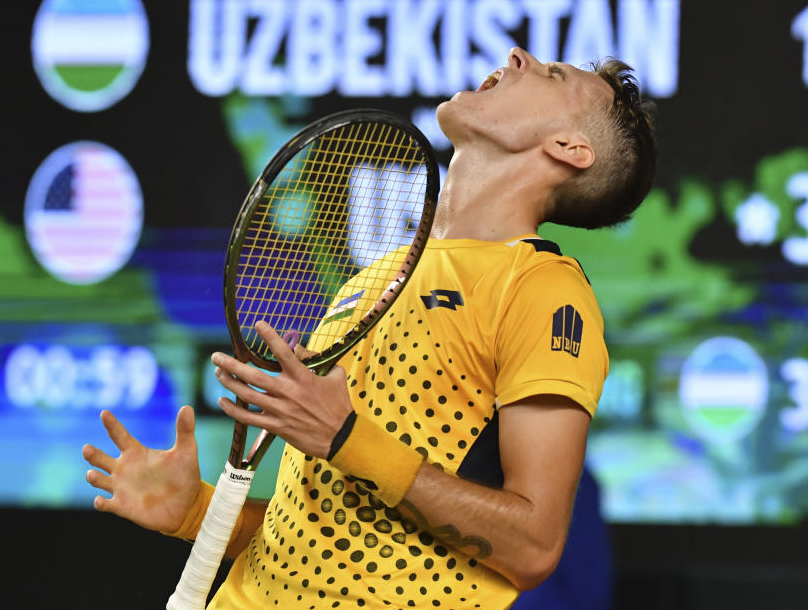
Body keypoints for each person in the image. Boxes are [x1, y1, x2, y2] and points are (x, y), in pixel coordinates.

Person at [82, 46, 656, 609]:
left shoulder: (541, 290)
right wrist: (195, 513)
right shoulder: (379, 275)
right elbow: (329, 539)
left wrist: (347, 439)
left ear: (569, 148)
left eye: (553, 74)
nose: (517, 56)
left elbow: (534, 547)